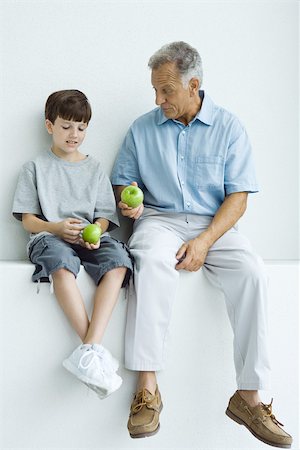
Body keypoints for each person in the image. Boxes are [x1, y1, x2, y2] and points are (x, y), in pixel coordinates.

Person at [111, 42, 293, 447]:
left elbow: (239, 197)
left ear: (194, 85)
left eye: (167, 91)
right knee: (153, 263)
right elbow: (124, 181)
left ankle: (249, 396)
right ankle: (147, 389)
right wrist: (128, 198)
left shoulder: (230, 128)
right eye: (155, 90)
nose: (158, 100)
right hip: (159, 220)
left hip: (216, 226)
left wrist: (206, 241)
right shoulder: (142, 128)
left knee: (252, 272)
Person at [12, 89, 133, 399]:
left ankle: (89, 349)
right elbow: (28, 220)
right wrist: (56, 227)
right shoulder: (34, 167)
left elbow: (105, 218)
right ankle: (92, 353)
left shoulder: (94, 168)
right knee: (61, 265)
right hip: (49, 238)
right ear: (50, 126)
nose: (74, 134)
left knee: (119, 261)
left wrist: (95, 230)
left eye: (81, 127)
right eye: (66, 126)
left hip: (90, 239)